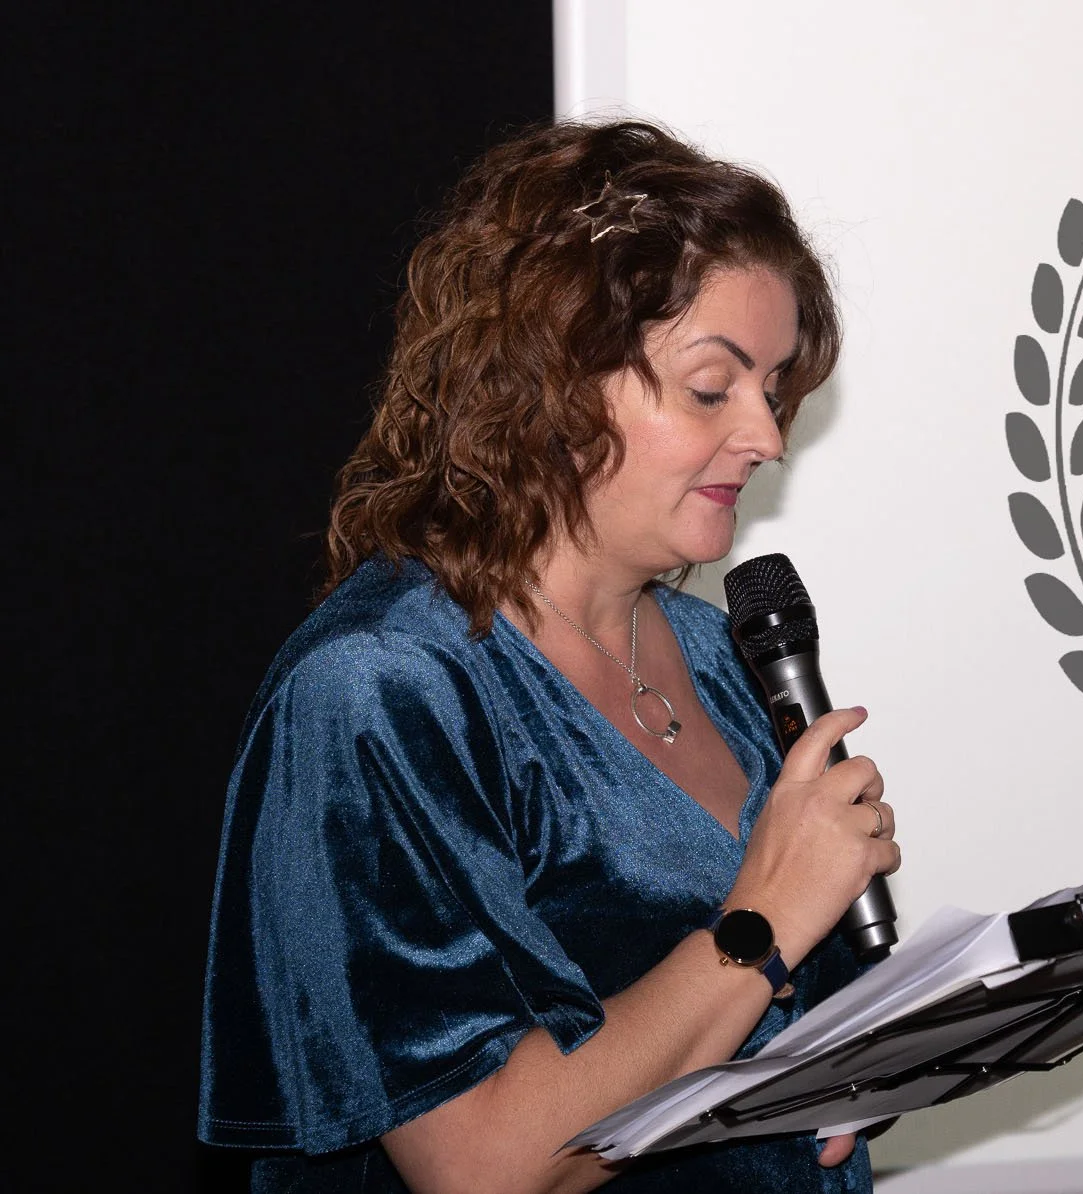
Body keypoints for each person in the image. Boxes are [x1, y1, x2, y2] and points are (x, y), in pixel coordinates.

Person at [198, 120, 900, 1193]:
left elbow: (762, 1033)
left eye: (772, 387)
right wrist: (761, 922)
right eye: (714, 387)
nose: (766, 435)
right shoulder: (383, 690)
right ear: (555, 383)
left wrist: (849, 1069)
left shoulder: (720, 655)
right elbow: (481, 1162)